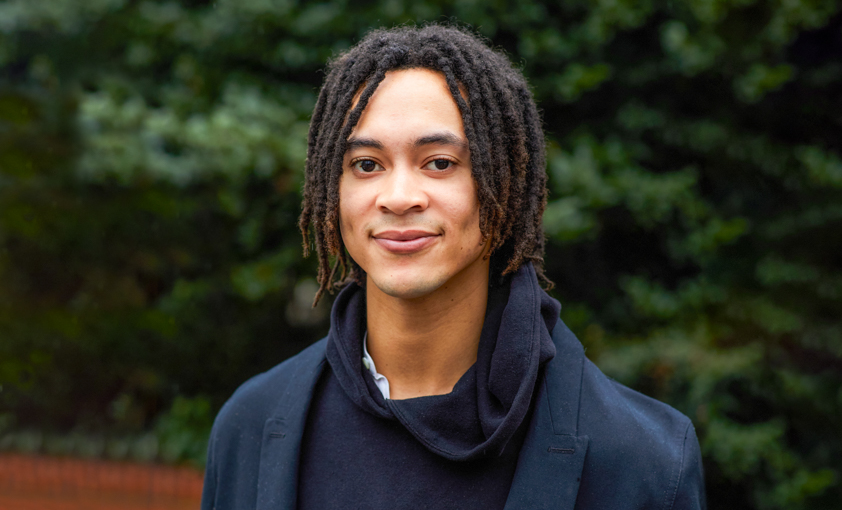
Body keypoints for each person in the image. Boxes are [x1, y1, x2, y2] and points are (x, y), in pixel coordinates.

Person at [201, 25, 706, 510]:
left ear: (504, 183)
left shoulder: (643, 461)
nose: (398, 197)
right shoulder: (250, 426)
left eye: (439, 162)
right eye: (367, 165)